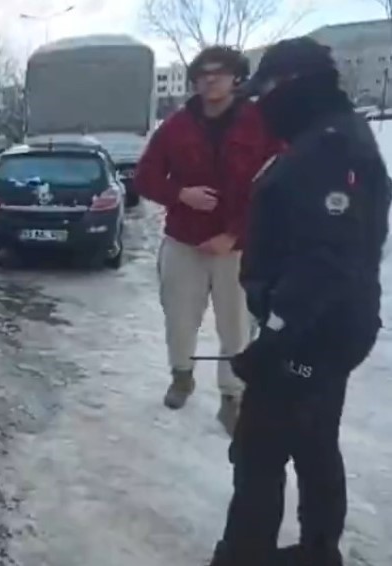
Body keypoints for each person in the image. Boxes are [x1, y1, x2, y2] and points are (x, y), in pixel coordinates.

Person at [210, 37, 389, 566]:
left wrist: (278, 339)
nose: (261, 106)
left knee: (259, 450)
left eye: (264, 92)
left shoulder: (330, 147)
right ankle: (318, 552)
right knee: (313, 443)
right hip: (325, 325)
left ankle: (246, 555)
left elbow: (326, 258)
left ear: (291, 85)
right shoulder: (329, 136)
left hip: (313, 331)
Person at [134, 46, 281, 434]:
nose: (209, 79)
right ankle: (182, 376)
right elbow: (144, 176)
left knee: (236, 326)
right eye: (202, 73)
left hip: (237, 247)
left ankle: (232, 398)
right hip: (184, 242)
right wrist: (180, 194)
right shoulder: (176, 127)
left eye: (219, 72)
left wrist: (235, 233)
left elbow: (275, 185)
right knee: (179, 320)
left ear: (236, 78)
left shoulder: (260, 124)